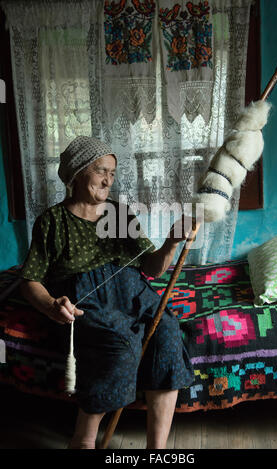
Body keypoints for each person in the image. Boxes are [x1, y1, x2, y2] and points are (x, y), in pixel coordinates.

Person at [19, 136, 195, 450]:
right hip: (87, 300)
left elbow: (153, 269)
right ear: (76, 173)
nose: (108, 179)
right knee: (120, 344)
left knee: (167, 330)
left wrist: (171, 242)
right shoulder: (52, 222)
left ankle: (157, 450)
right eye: (101, 170)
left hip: (132, 291)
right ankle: (83, 440)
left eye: (112, 173)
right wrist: (50, 305)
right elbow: (30, 279)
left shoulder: (120, 214)